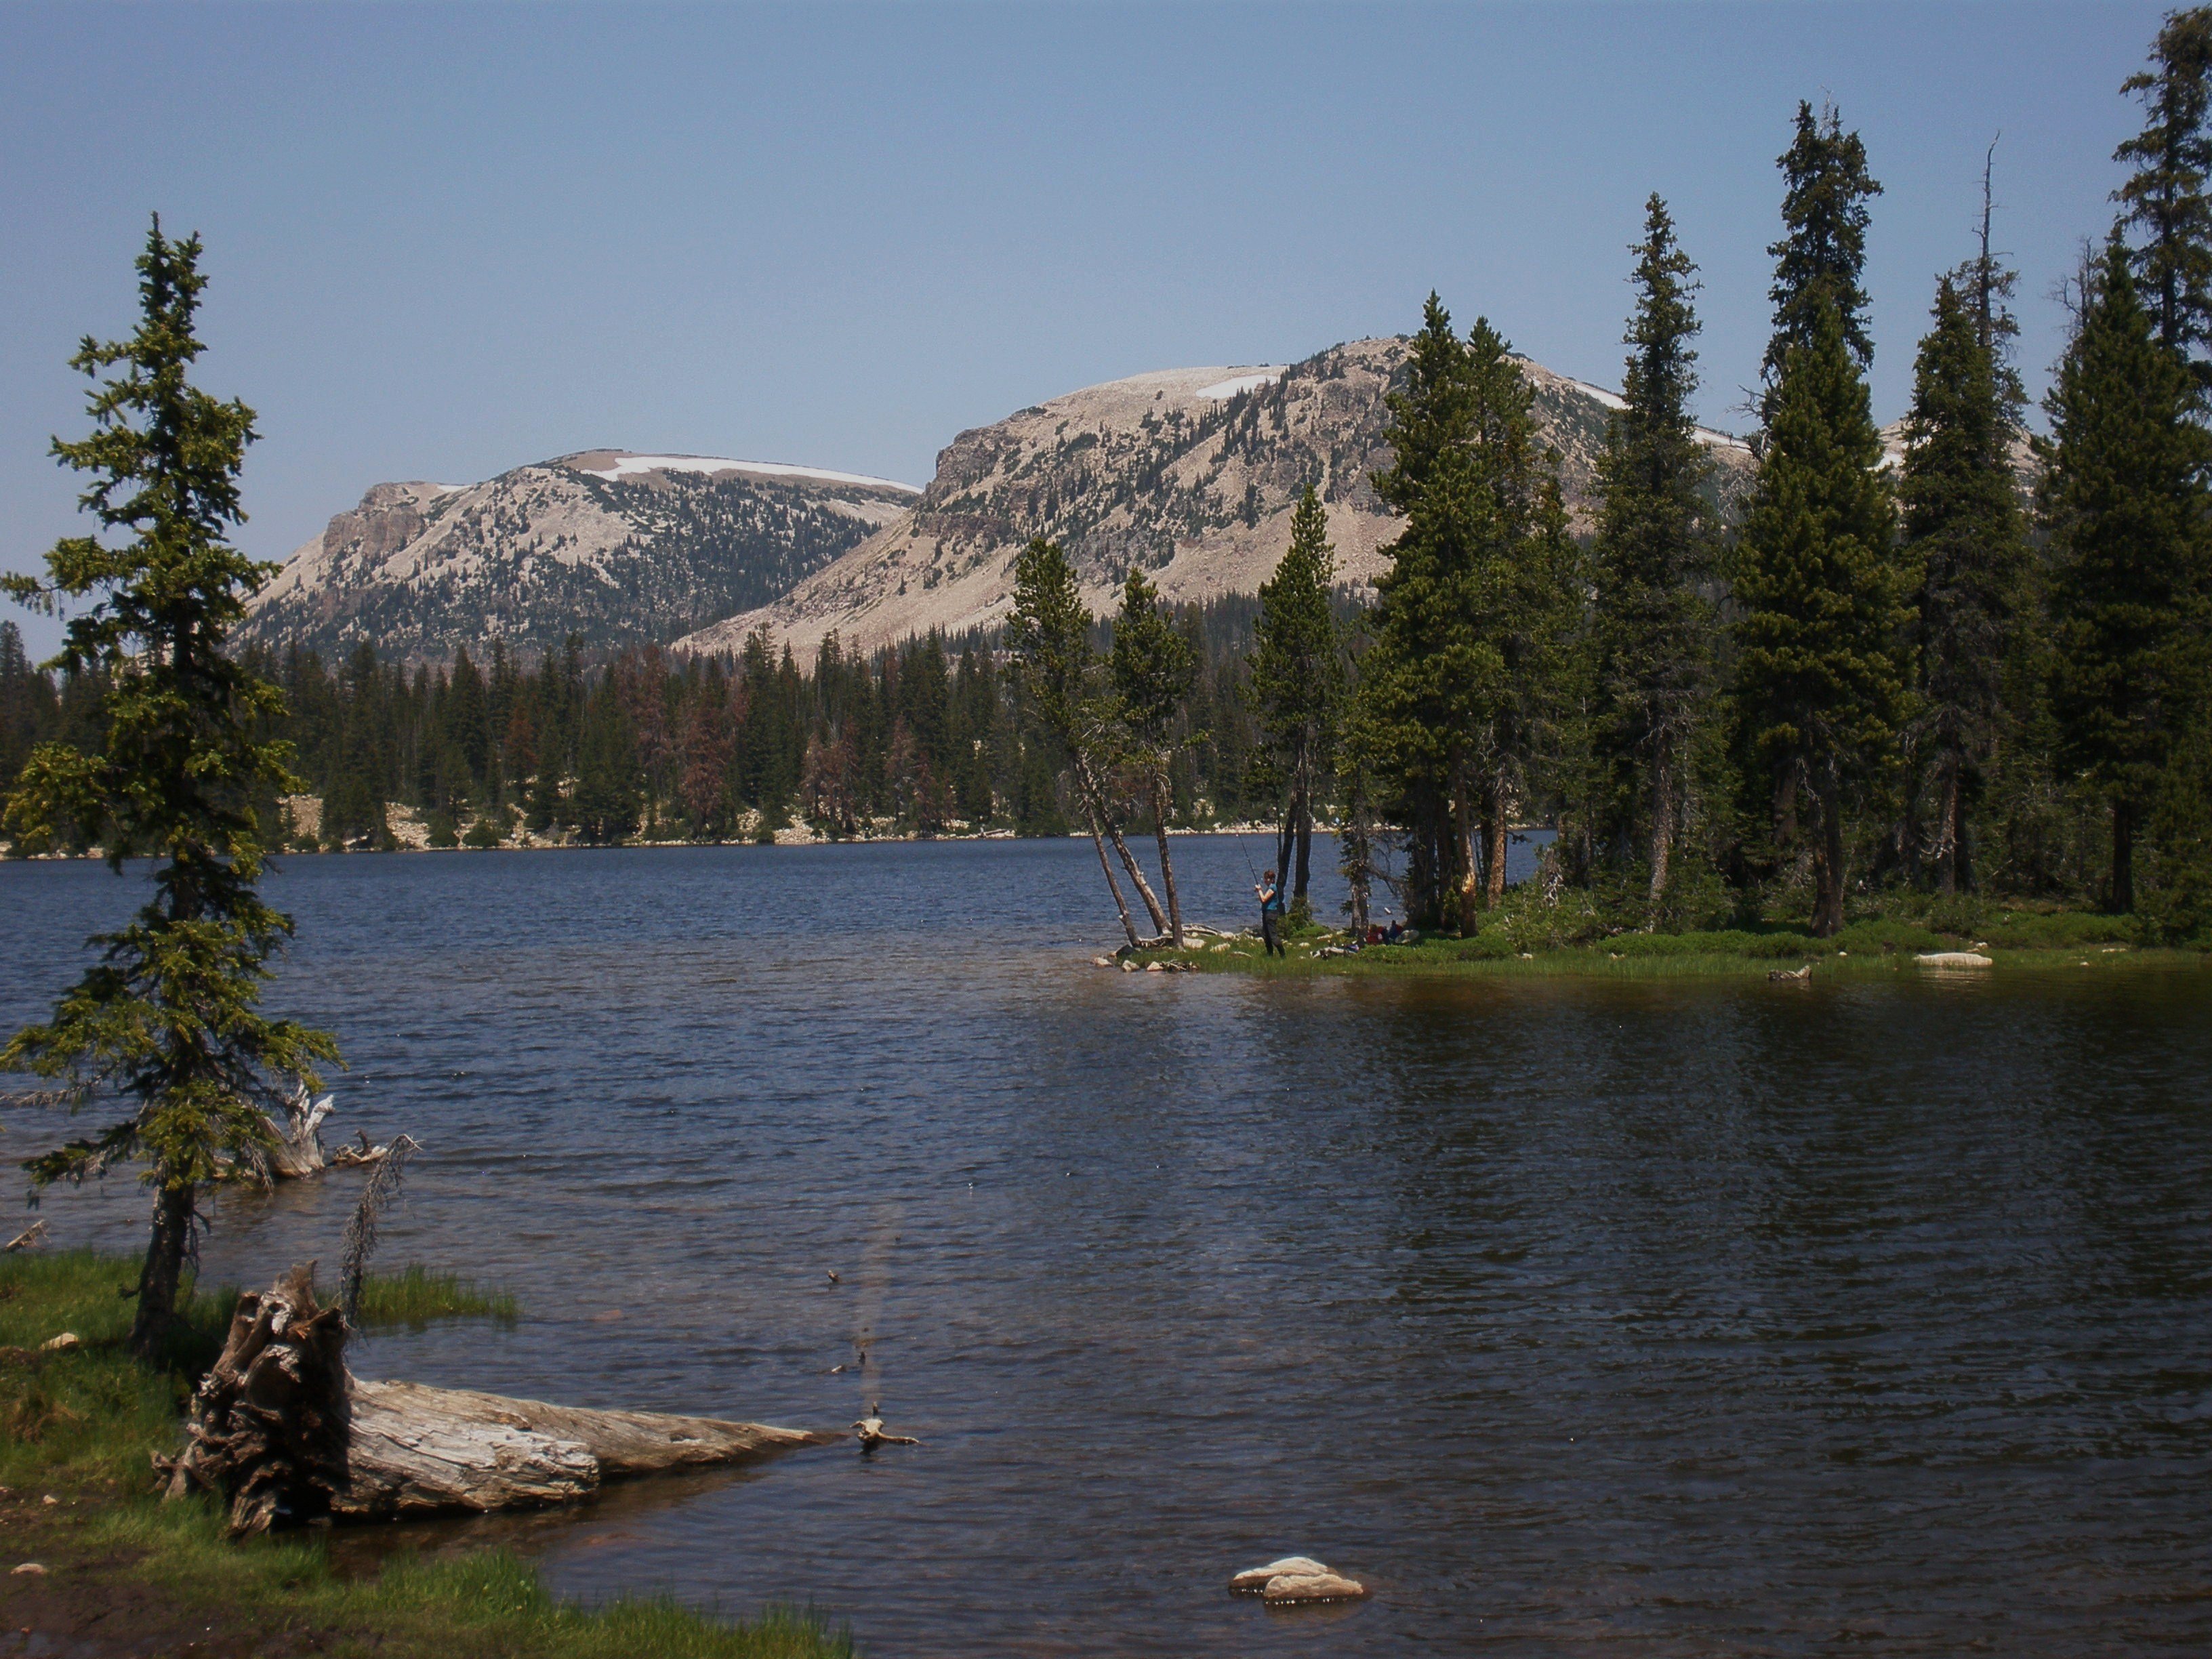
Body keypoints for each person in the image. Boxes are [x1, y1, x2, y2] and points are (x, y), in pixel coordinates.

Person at [1255, 867, 1286, 957]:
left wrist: (1259, 890)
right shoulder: (1269, 888)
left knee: (1273, 936)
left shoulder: (1273, 887)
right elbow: (1263, 899)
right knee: (1266, 935)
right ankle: (1270, 954)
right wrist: (1259, 891)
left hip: (1271, 914)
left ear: (1272, 879)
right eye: (1265, 878)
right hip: (1266, 913)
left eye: (1267, 878)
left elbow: (1264, 899)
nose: (1265, 880)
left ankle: (1283, 954)